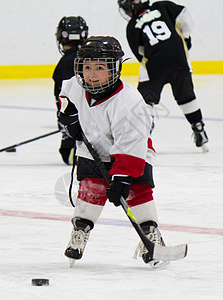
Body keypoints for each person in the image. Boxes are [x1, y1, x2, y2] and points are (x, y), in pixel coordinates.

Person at [58, 36, 165, 267]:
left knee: (138, 190)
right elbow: (65, 96)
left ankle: (151, 235)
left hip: (133, 154)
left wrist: (122, 178)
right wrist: (69, 117)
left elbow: (131, 143)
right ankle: (80, 232)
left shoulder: (129, 102)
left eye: (99, 68)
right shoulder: (76, 86)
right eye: (87, 67)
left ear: (115, 69)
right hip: (92, 148)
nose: (91, 74)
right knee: (90, 190)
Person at [117, 0, 209, 152]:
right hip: (179, 60)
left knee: (145, 101)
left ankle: (143, 136)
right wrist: (184, 38)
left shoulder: (132, 26)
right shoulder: (162, 6)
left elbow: (140, 52)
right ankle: (198, 127)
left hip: (155, 66)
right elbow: (185, 15)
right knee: (186, 97)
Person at [53, 16, 88, 164]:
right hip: (102, 125)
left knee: (68, 155)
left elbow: (64, 98)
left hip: (81, 130)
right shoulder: (93, 58)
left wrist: (66, 124)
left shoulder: (65, 63)